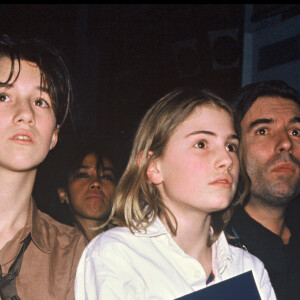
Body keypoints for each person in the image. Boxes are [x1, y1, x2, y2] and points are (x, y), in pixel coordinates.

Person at [75, 87, 275, 299]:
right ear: (154, 167)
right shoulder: (117, 254)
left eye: (231, 146)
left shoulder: (248, 268)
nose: (226, 159)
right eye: (201, 144)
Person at [0, 34, 86, 299]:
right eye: (3, 97)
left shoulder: (73, 254)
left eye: (40, 102)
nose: (25, 113)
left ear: (54, 135)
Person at [225, 80, 300, 300]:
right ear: (233, 149)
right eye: (263, 130)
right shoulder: (213, 250)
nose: (286, 142)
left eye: (296, 131)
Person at [57, 139, 118, 242]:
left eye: (107, 177)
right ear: (63, 193)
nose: (96, 183)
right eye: (83, 175)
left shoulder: (131, 245)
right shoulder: (49, 244)